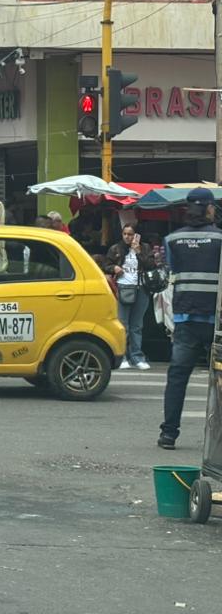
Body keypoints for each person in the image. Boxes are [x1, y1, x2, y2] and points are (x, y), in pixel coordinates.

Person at [159, 188, 222, 449]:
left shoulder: (172, 240)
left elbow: (171, 272)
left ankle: (169, 433)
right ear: (209, 209)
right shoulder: (220, 239)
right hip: (216, 320)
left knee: (177, 377)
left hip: (185, 318)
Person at [104, 224, 153, 370]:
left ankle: (137, 356)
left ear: (137, 235)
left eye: (130, 234)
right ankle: (122, 356)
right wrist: (114, 268)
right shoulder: (116, 249)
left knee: (137, 325)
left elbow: (151, 265)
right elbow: (106, 264)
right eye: (125, 234)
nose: (127, 237)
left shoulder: (144, 248)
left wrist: (138, 251)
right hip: (123, 287)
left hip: (141, 288)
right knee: (123, 325)